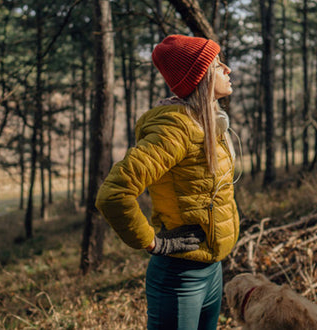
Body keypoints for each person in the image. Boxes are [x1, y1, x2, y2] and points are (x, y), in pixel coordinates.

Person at [96, 34, 239, 330]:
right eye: (217, 64)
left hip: (212, 269)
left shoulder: (207, 121)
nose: (227, 69)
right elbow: (113, 194)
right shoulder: (176, 130)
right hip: (180, 277)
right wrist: (153, 242)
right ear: (200, 77)